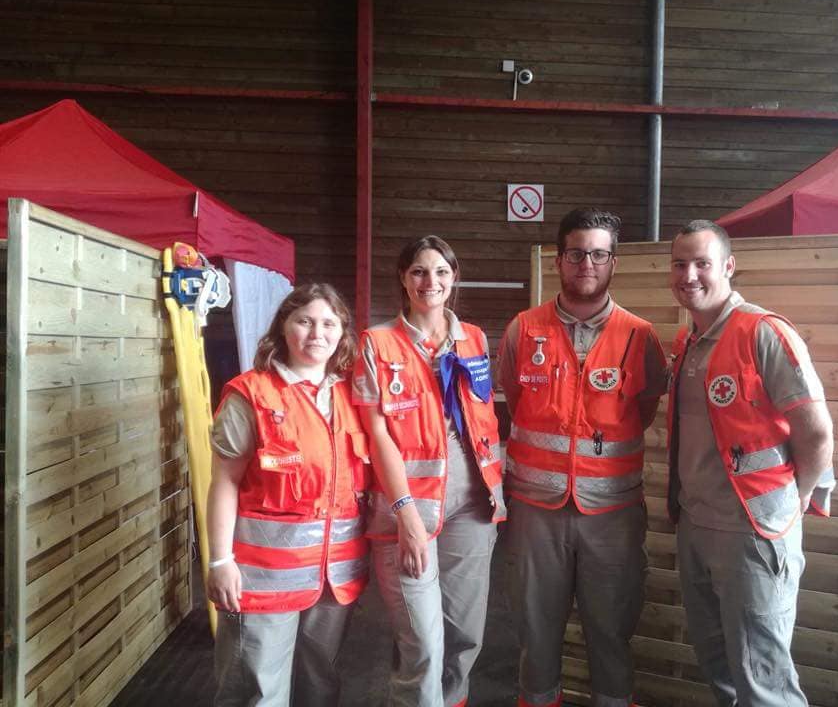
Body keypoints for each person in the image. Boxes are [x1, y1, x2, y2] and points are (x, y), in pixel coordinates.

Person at [497, 208, 667, 707]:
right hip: (534, 510)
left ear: (613, 262)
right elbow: (513, 398)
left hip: (612, 514)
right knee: (536, 632)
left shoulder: (641, 335)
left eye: (598, 253)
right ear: (559, 261)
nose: (586, 263)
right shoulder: (523, 329)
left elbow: (646, 410)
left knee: (612, 633)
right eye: (576, 253)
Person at [667, 219, 835, 706]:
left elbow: (818, 432)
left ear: (729, 267)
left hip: (753, 533)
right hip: (696, 525)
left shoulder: (764, 332)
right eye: (680, 264)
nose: (689, 274)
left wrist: (797, 498)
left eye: (702, 263)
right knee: (719, 666)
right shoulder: (688, 342)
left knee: (762, 676)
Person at [353, 235, 506, 707]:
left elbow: (481, 416)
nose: (430, 281)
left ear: (453, 277)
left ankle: (453, 700)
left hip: (474, 500)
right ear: (403, 278)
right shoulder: (376, 343)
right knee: (421, 640)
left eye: (440, 272)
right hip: (408, 506)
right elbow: (377, 435)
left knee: (465, 633)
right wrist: (404, 513)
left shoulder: (474, 338)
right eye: (419, 271)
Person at [206, 282, 370, 707]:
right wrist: (220, 561)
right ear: (283, 328)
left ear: (343, 333)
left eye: (329, 323)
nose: (318, 333)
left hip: (335, 582)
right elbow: (224, 480)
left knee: (321, 685)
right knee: (257, 689)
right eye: (305, 321)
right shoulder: (251, 394)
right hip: (262, 580)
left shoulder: (353, 395)